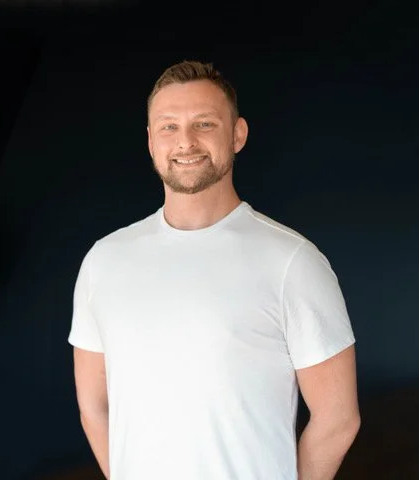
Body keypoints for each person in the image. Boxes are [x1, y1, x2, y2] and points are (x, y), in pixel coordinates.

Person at [68, 60, 361, 480]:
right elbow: (95, 409)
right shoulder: (103, 262)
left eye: (204, 124)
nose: (185, 141)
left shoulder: (292, 262)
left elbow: (338, 419)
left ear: (237, 134)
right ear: (151, 141)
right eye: (169, 127)